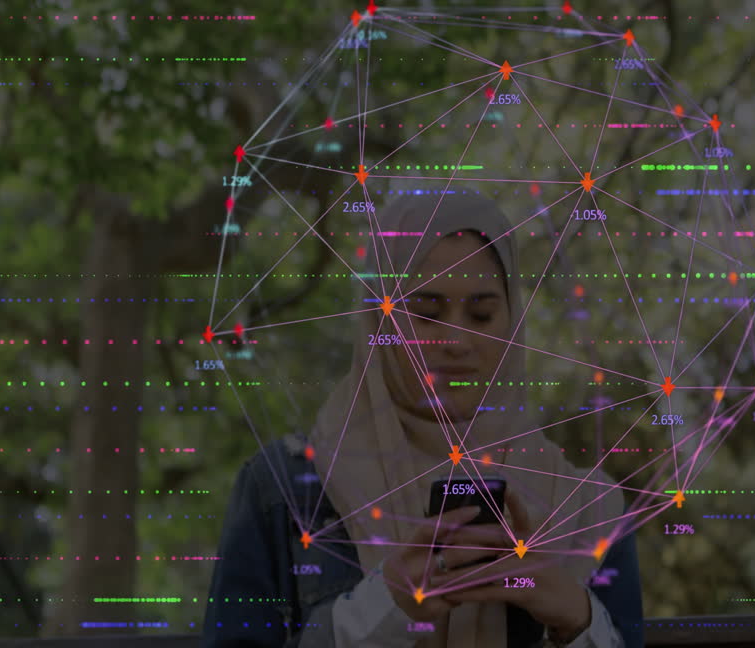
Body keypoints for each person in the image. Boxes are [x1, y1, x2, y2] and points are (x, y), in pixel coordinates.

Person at [203, 191, 644, 647]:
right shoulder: (284, 491)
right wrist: (382, 609)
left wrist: (576, 618)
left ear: (512, 322)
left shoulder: (588, 509)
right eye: (426, 313)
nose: (456, 341)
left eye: (481, 314)